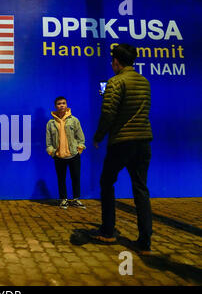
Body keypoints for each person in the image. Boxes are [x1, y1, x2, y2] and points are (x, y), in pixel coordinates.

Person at [91, 43, 153, 255]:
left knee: (106, 182)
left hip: (122, 142)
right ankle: (145, 241)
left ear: (116, 61)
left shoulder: (115, 82)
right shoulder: (144, 82)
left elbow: (108, 114)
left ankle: (108, 231)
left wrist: (98, 136)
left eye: (112, 61)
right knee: (141, 189)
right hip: (144, 141)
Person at [46, 96, 86, 209]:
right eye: (59, 103)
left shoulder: (74, 120)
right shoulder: (50, 123)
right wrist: (52, 152)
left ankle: (76, 199)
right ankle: (63, 199)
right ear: (55, 106)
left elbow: (81, 138)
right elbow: (48, 142)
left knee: (76, 177)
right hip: (59, 156)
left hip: (73, 155)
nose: (61, 105)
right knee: (61, 178)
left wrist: (79, 149)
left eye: (63, 103)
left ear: (67, 105)